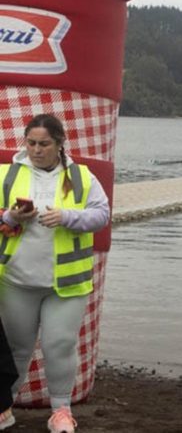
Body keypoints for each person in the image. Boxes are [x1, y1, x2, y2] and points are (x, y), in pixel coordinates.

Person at [0, 113, 110, 433]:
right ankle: (4, 408)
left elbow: (101, 215)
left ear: (59, 143)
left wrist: (67, 217)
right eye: (31, 143)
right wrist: (12, 217)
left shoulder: (82, 177)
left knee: (59, 345)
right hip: (16, 280)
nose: (36, 150)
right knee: (16, 349)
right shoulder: (7, 174)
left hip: (67, 283)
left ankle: (61, 411)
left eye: (44, 144)